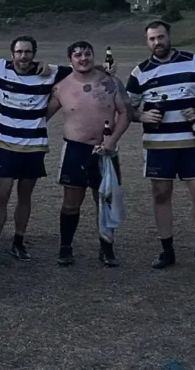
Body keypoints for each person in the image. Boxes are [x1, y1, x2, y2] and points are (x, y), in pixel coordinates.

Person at [126, 21, 195, 271]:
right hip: (158, 146)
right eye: (152, 39)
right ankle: (167, 250)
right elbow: (126, 108)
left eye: (161, 37)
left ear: (169, 37)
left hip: (192, 143)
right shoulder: (140, 72)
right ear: (147, 42)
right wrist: (141, 116)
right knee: (160, 195)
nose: (157, 42)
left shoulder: (192, 61)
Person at [0, 36, 69, 264]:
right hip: (6, 146)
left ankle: (18, 242)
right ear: (12, 54)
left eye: (28, 52)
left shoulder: (49, 72)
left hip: (34, 147)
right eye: (19, 52)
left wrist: (49, 66)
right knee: (2, 194)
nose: (23, 56)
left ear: (34, 54)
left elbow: (80, 70)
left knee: (25, 196)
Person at [47, 41, 131, 267]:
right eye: (77, 55)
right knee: (71, 203)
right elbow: (41, 115)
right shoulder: (61, 87)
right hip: (75, 150)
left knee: (105, 201)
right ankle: (65, 247)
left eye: (87, 54)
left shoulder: (111, 82)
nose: (83, 58)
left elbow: (125, 112)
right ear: (70, 60)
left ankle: (106, 249)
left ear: (93, 56)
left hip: (105, 151)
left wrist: (112, 141)